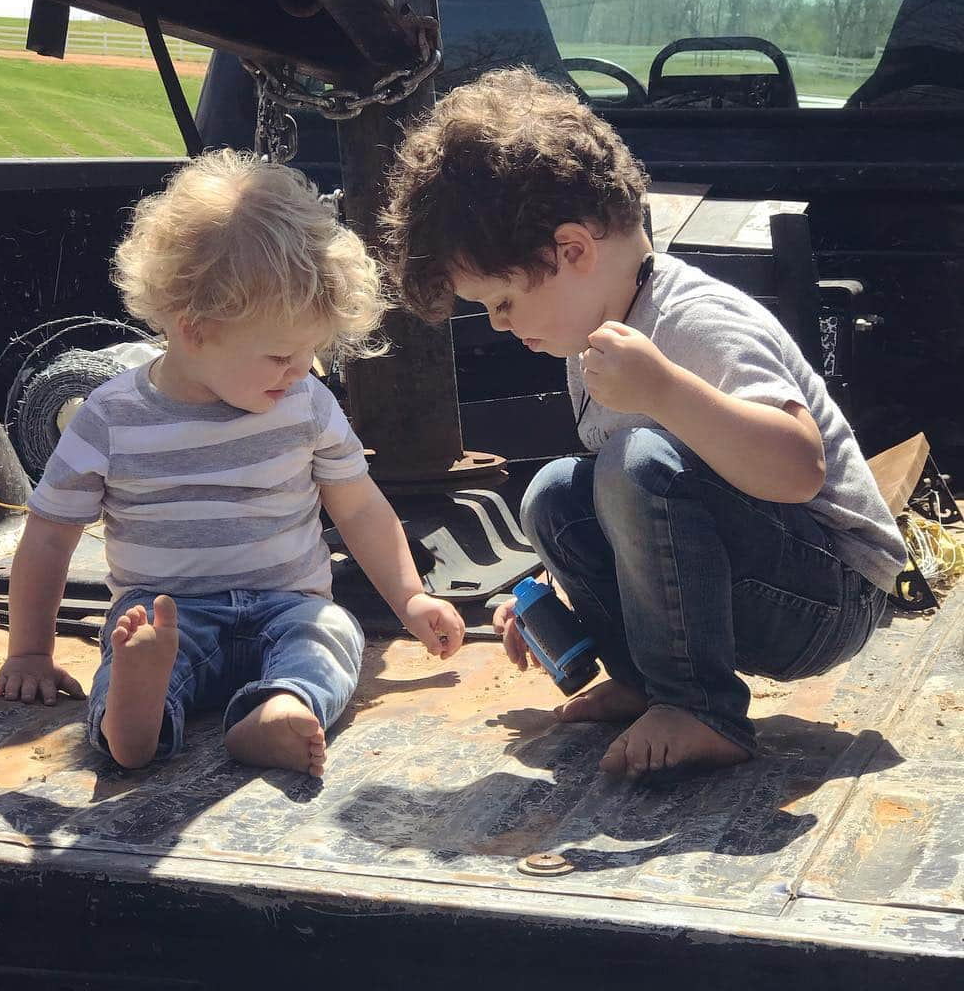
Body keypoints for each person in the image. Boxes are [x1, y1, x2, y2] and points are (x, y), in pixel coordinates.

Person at [381, 67, 905, 779]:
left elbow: (799, 468)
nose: (503, 328)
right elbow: (636, 519)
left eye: (502, 303)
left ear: (572, 251)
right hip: (749, 578)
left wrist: (665, 391)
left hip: (829, 593)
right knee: (558, 493)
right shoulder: (590, 336)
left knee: (637, 462)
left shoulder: (695, 321)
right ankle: (647, 681)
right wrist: (560, 602)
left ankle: (700, 707)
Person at [0, 149, 465, 775]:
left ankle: (278, 710)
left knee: (329, 633)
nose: (298, 370)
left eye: (311, 354)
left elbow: (360, 507)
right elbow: (49, 538)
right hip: (168, 615)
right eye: (278, 356)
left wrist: (410, 598)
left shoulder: (305, 404)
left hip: (288, 606)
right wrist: (29, 651)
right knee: (135, 648)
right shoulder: (109, 418)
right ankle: (135, 718)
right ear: (194, 330)